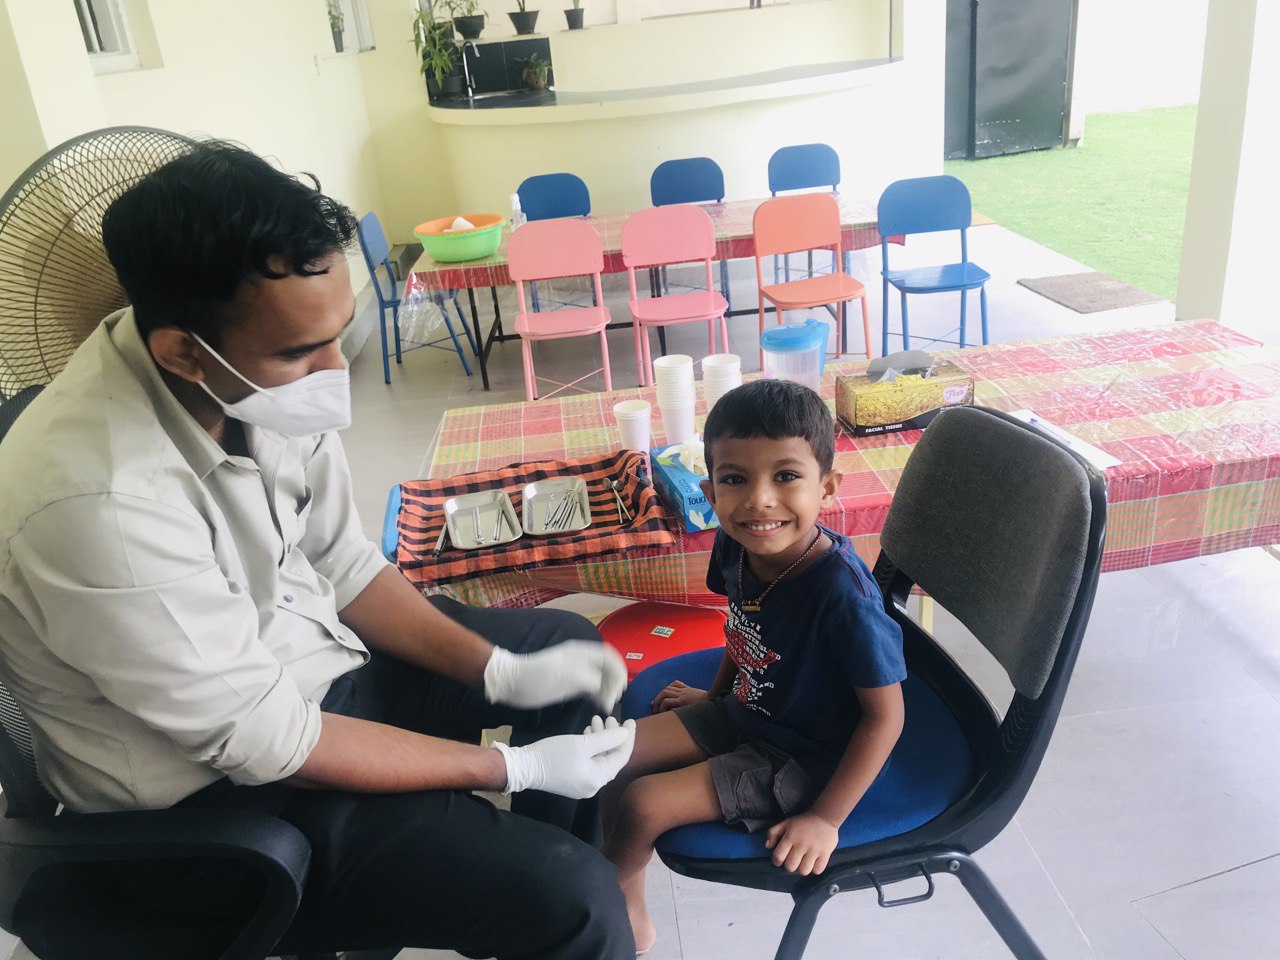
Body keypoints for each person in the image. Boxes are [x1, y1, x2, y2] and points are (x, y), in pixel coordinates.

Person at [0, 141, 638, 959]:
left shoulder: (245, 376)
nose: (335, 370)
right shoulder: (98, 503)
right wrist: (511, 773)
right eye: (303, 352)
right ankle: (546, 905)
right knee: (574, 901)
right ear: (182, 350)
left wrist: (496, 671)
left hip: (313, 677)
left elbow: (342, 564)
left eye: (339, 333)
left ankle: (515, 901)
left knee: (567, 651)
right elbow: (272, 743)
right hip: (214, 810)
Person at [601, 379, 908, 954]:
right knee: (612, 755)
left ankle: (622, 902)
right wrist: (715, 696)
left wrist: (825, 818)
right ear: (709, 492)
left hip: (803, 756)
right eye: (735, 479)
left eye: (786, 476)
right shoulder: (736, 545)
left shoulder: (845, 600)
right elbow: (743, 628)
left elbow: (885, 719)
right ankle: (592, 865)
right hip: (745, 708)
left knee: (645, 803)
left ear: (828, 487)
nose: (758, 500)